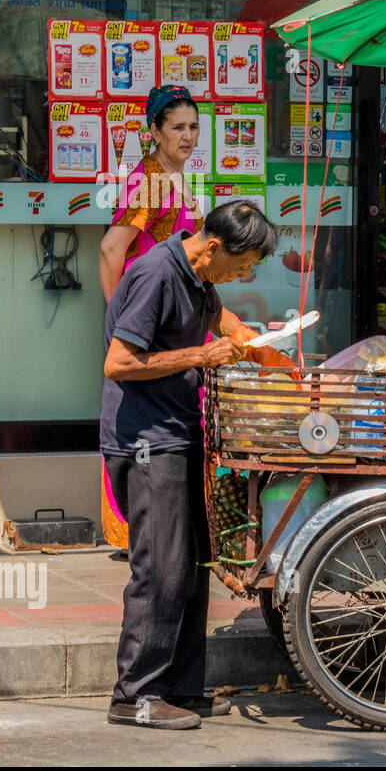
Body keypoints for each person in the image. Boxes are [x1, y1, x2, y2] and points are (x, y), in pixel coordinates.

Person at [102, 201, 277, 729]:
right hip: (145, 440)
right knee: (160, 572)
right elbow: (119, 361)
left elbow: (222, 320)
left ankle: (182, 688)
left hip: (180, 434)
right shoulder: (158, 272)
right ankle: (135, 696)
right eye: (244, 265)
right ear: (215, 247)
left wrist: (263, 347)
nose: (245, 275)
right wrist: (200, 357)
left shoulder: (200, 279)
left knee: (192, 569)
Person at [98, 85, 261, 553]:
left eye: (193, 126)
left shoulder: (174, 176)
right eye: (177, 127)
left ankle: (157, 536)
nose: (187, 136)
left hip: (172, 320)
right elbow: (112, 249)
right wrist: (121, 318)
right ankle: (145, 536)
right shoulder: (152, 179)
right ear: (155, 131)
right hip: (149, 322)